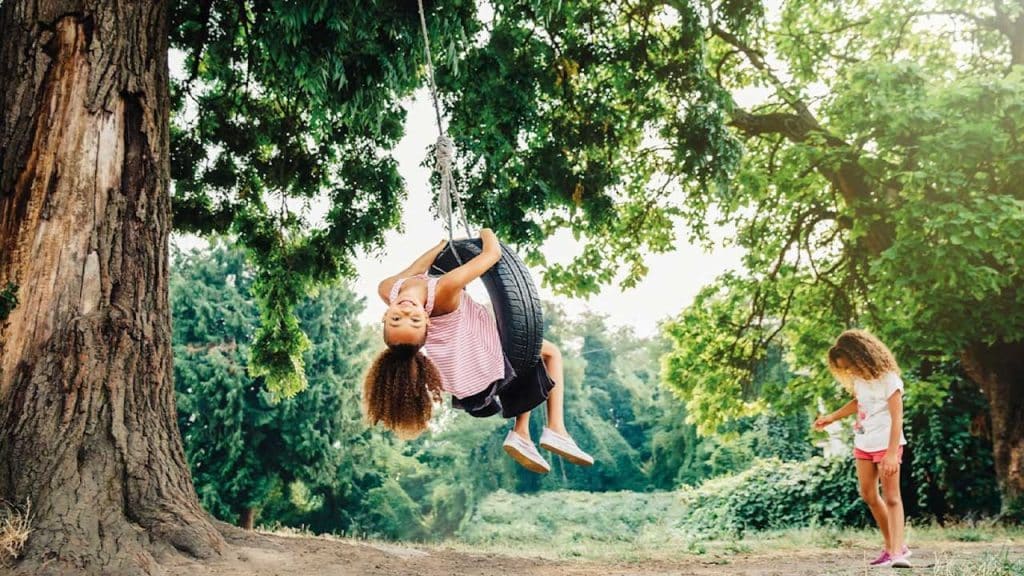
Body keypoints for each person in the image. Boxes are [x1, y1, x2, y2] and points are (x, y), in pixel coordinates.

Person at [362, 228, 593, 474]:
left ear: (385, 316)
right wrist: (486, 231)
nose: (406, 311)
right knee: (546, 353)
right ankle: (555, 428)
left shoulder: (388, 289)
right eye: (415, 320)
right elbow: (492, 255)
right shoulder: (444, 290)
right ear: (427, 321)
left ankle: (522, 434)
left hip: (467, 364)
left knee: (530, 353)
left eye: (397, 319)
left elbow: (417, 269)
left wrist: (442, 245)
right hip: (479, 357)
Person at [814, 329, 911, 569]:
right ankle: (891, 547)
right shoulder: (860, 380)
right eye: (845, 369)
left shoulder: (889, 379)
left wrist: (891, 454)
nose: (849, 371)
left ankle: (898, 553)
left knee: (892, 497)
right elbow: (859, 403)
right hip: (864, 443)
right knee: (868, 495)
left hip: (887, 444)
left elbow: (897, 418)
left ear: (861, 356)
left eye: (850, 365)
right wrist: (832, 417)